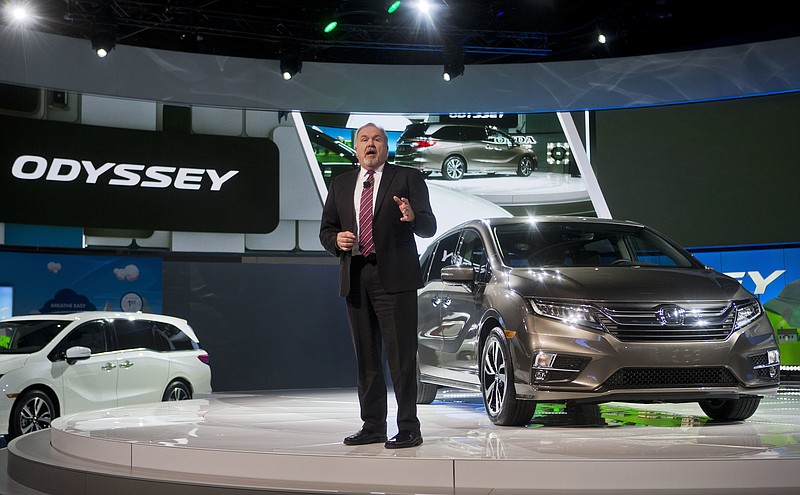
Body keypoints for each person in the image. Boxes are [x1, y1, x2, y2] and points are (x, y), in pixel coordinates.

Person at [319, 122, 437, 449]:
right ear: (356, 148)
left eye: (377, 139)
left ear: (387, 146)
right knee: (367, 359)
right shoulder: (341, 184)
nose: (371, 145)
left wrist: (413, 216)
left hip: (395, 279)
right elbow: (326, 230)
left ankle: (409, 427)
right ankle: (372, 426)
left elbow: (428, 226)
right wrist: (336, 240)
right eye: (364, 140)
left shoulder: (407, 178)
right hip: (356, 278)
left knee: (401, 359)